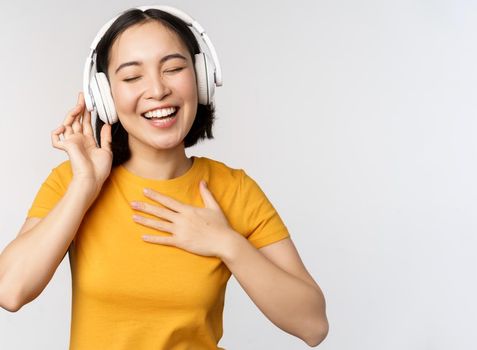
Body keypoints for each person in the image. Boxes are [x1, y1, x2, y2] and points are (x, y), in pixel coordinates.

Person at [0, 6, 328, 349]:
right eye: (131, 77)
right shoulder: (74, 181)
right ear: (105, 96)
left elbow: (313, 325)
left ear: (200, 77)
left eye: (173, 68)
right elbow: (9, 291)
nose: (157, 89)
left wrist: (227, 243)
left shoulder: (233, 189)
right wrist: (84, 187)